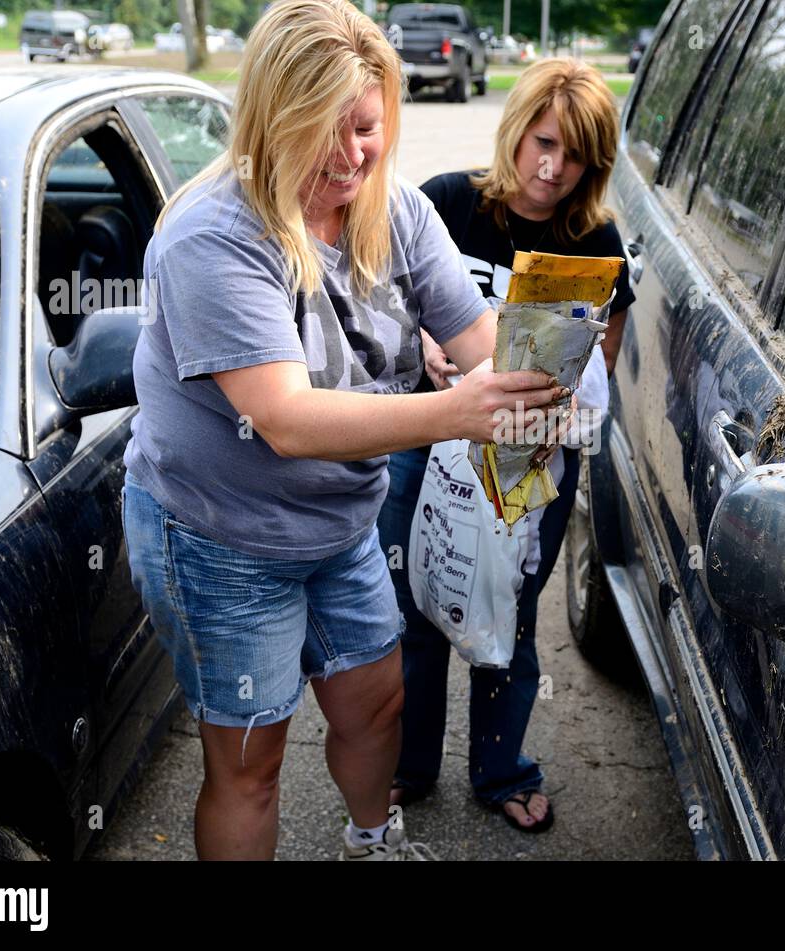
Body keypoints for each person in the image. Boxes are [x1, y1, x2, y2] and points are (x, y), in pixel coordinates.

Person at [120, 0, 564, 861]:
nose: (351, 153)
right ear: (271, 117)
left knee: (376, 703)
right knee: (251, 761)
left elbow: (480, 339)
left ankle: (372, 840)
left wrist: (545, 366)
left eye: (366, 127)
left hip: (340, 521)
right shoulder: (213, 236)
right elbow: (284, 420)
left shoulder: (389, 207)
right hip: (220, 536)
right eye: (325, 129)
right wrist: (457, 410)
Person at [377, 58, 635, 832]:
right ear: (516, 128)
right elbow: (381, 304)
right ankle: (407, 765)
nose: (552, 167)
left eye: (576, 153)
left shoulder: (596, 239)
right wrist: (422, 341)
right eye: (542, 141)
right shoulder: (448, 202)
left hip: (530, 458)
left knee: (511, 614)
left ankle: (500, 768)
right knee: (414, 603)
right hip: (426, 440)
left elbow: (607, 358)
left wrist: (569, 401)